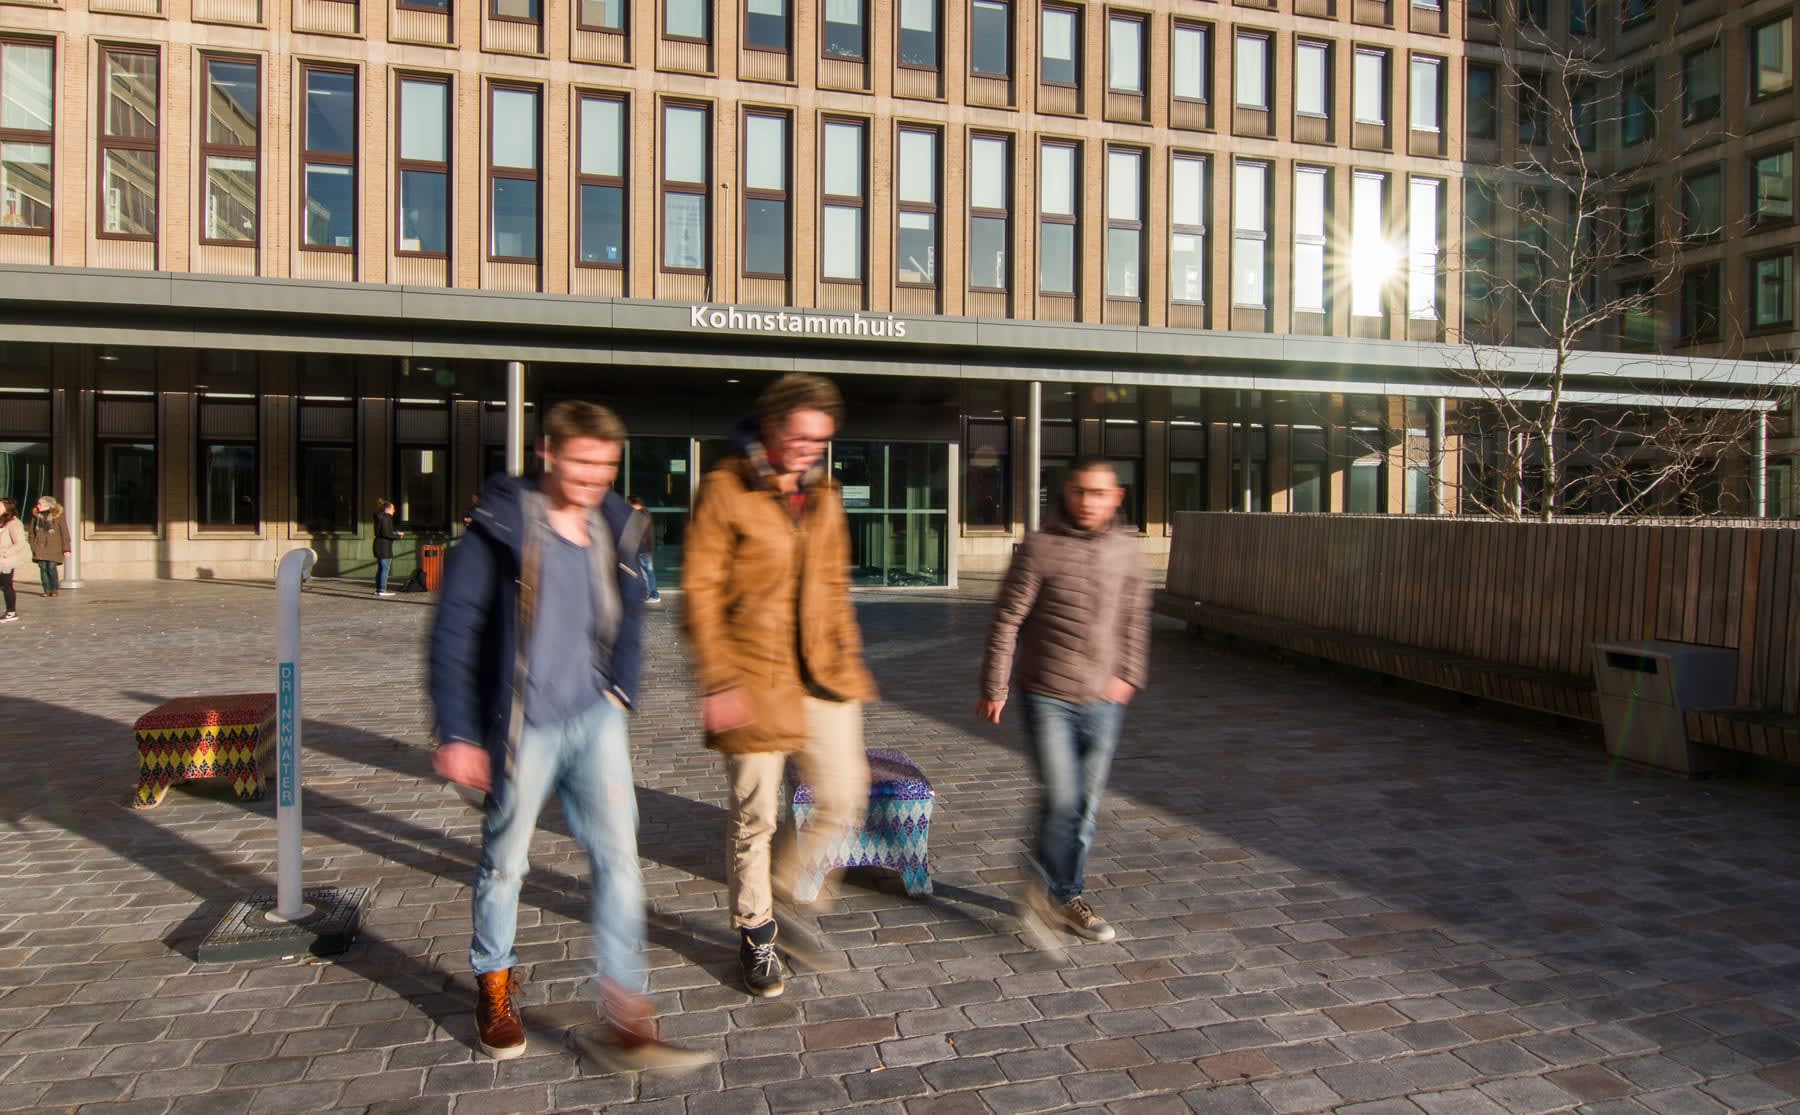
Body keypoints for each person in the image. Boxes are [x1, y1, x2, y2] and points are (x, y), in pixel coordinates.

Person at [428, 401, 699, 1068]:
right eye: (581, 463)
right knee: (506, 861)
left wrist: (620, 686)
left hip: (594, 716)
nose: (593, 478)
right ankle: (494, 982)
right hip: (524, 724)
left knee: (618, 858)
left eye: (605, 466)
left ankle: (626, 1009)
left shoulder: (615, 525)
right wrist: (459, 730)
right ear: (549, 455)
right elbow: (454, 628)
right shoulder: (499, 527)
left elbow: (632, 612)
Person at [683, 374, 877, 998]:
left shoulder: (826, 495)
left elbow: (837, 585)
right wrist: (717, 680)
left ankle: (789, 895)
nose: (808, 449)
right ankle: (757, 931)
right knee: (756, 817)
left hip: (821, 673)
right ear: (769, 427)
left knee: (846, 796)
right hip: (750, 674)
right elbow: (701, 591)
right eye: (798, 436)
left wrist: (847, 654)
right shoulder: (724, 488)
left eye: (819, 440)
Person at [977, 456, 1149, 946]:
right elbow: (1007, 619)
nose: (1087, 501)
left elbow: (1136, 617)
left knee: (1085, 808)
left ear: (1116, 497)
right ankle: (1043, 884)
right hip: (1046, 694)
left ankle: (1063, 894)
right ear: (1066, 493)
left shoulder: (1127, 551)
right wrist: (995, 686)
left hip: (1104, 699)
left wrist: (1128, 676)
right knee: (1063, 798)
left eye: (1098, 492)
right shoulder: (1040, 548)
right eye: (1079, 491)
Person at [28, 496, 70, 597]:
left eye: (40, 504)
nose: (37, 506)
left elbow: (64, 532)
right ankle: (46, 589)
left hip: (54, 547)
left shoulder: (58, 516)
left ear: (47, 505)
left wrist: (66, 549)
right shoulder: (36, 516)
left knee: (51, 567)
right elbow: (31, 533)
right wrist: (33, 545)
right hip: (40, 547)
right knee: (43, 568)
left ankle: (54, 589)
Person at [626, 496, 661, 604]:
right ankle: (652, 594)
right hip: (646, 548)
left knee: (645, 573)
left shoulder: (640, 514)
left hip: (642, 549)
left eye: (628, 503)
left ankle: (652, 594)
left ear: (634, 503)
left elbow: (637, 533)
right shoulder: (645, 513)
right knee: (647, 572)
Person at [0, 498, 28, 622]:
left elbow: (20, 543)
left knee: (7, 585)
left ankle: (11, 612)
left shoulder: (14, 523)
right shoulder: (2, 522)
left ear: (7, 508)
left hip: (6, 561)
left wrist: (5, 552)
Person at [373, 499, 403, 598]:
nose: (394, 511)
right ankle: (382, 589)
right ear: (387, 509)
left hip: (379, 545)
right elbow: (387, 533)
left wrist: (394, 533)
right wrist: (399, 536)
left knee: (381, 568)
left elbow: (384, 532)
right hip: (384, 547)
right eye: (393, 509)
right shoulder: (386, 518)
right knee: (385, 569)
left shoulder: (380, 517)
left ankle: (379, 590)